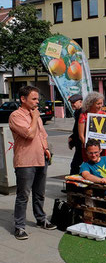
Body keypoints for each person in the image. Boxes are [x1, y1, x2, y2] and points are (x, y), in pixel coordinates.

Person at [9, 86, 56, 240]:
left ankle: (41, 219)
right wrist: (34, 117)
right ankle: (20, 226)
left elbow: (42, 135)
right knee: (23, 195)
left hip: (41, 159)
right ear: (23, 99)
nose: (37, 102)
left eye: (38, 99)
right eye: (34, 99)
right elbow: (29, 134)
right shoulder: (16, 116)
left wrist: (47, 149)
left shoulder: (37, 116)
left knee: (39, 193)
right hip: (25, 161)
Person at [78, 92, 106, 162]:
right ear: (91, 103)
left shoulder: (104, 114)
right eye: (98, 104)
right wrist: (89, 147)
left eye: (101, 103)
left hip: (103, 147)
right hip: (89, 148)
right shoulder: (83, 115)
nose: (100, 106)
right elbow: (81, 135)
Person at [68, 94, 83, 175]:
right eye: (71, 103)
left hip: (81, 144)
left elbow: (79, 130)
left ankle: (73, 185)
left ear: (81, 102)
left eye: (74, 102)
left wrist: (73, 138)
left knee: (75, 165)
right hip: (78, 143)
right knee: (76, 165)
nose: (72, 105)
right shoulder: (77, 112)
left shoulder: (82, 112)